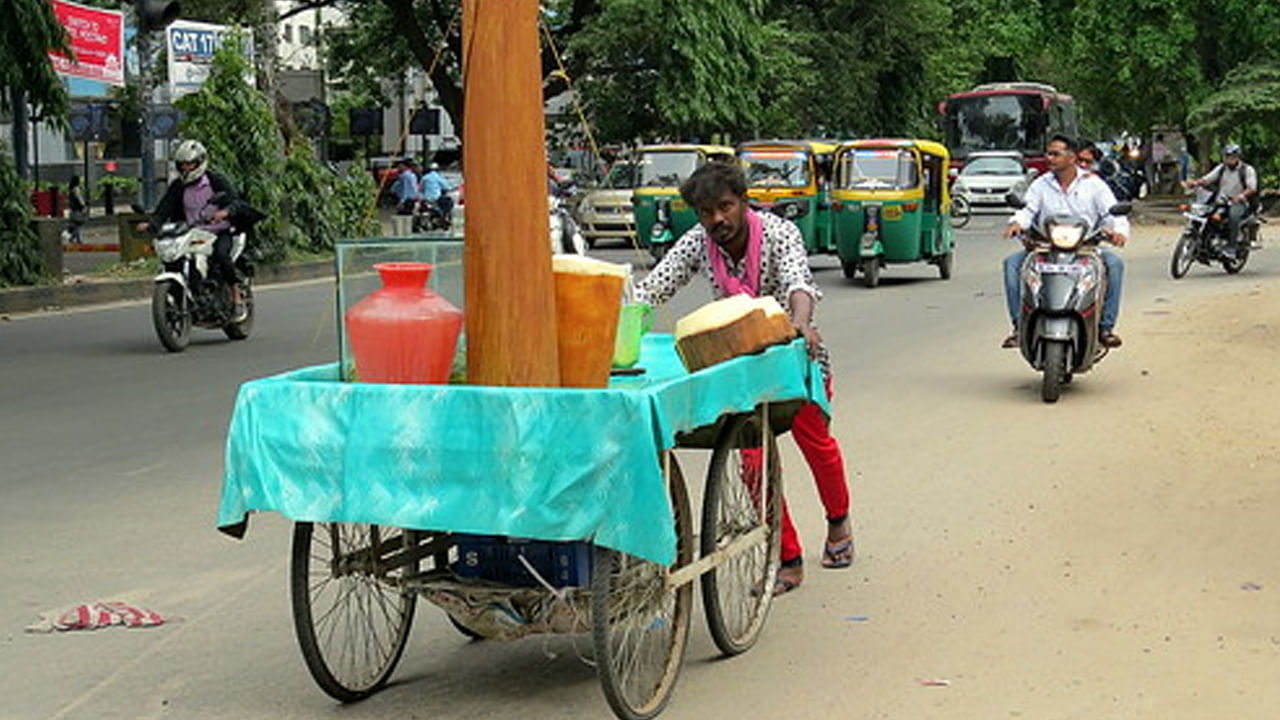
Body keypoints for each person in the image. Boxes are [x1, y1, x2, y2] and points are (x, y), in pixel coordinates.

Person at [633, 161, 854, 595]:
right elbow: (655, 288)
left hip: (794, 355)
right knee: (752, 461)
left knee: (816, 442)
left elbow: (799, 283)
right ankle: (787, 557)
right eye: (705, 212)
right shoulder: (698, 242)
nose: (717, 220)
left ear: (743, 202)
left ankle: (839, 522)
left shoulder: (778, 232)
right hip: (739, 368)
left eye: (725, 207)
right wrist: (618, 317)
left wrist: (801, 324)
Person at [1001, 135, 1129, 349]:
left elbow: (1113, 214)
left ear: (1071, 157)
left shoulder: (1094, 184)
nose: (1049, 158)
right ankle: (1018, 325)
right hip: (1046, 247)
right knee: (1012, 264)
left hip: (1086, 248)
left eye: (1055, 154)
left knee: (1114, 264)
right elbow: (1027, 210)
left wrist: (1118, 232)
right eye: (1048, 153)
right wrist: (1017, 223)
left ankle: (1106, 328)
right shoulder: (1040, 185)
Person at [136, 139, 248, 321]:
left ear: (200, 162)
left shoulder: (216, 181)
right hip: (191, 233)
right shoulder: (178, 187)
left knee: (221, 255)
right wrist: (151, 224)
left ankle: (236, 298)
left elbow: (236, 202)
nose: (186, 168)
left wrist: (225, 212)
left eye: (190, 164)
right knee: (176, 259)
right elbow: (164, 209)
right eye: (183, 165)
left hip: (219, 232)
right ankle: (191, 293)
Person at [1183, 143, 1258, 253]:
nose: (1229, 159)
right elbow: (1208, 179)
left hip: (1239, 203)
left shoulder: (1247, 170)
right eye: (1227, 156)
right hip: (1221, 201)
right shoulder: (1222, 168)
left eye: (1232, 156)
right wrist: (1195, 183)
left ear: (1238, 157)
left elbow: (1252, 188)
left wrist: (1240, 196)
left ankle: (1232, 246)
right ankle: (1205, 240)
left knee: (1233, 216)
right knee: (1205, 213)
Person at [65, 175, 86, 244]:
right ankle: (74, 238)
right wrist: (83, 206)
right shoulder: (76, 189)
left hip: (73, 208)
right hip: (77, 208)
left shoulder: (70, 189)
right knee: (78, 224)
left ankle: (76, 239)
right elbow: (79, 198)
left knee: (75, 224)